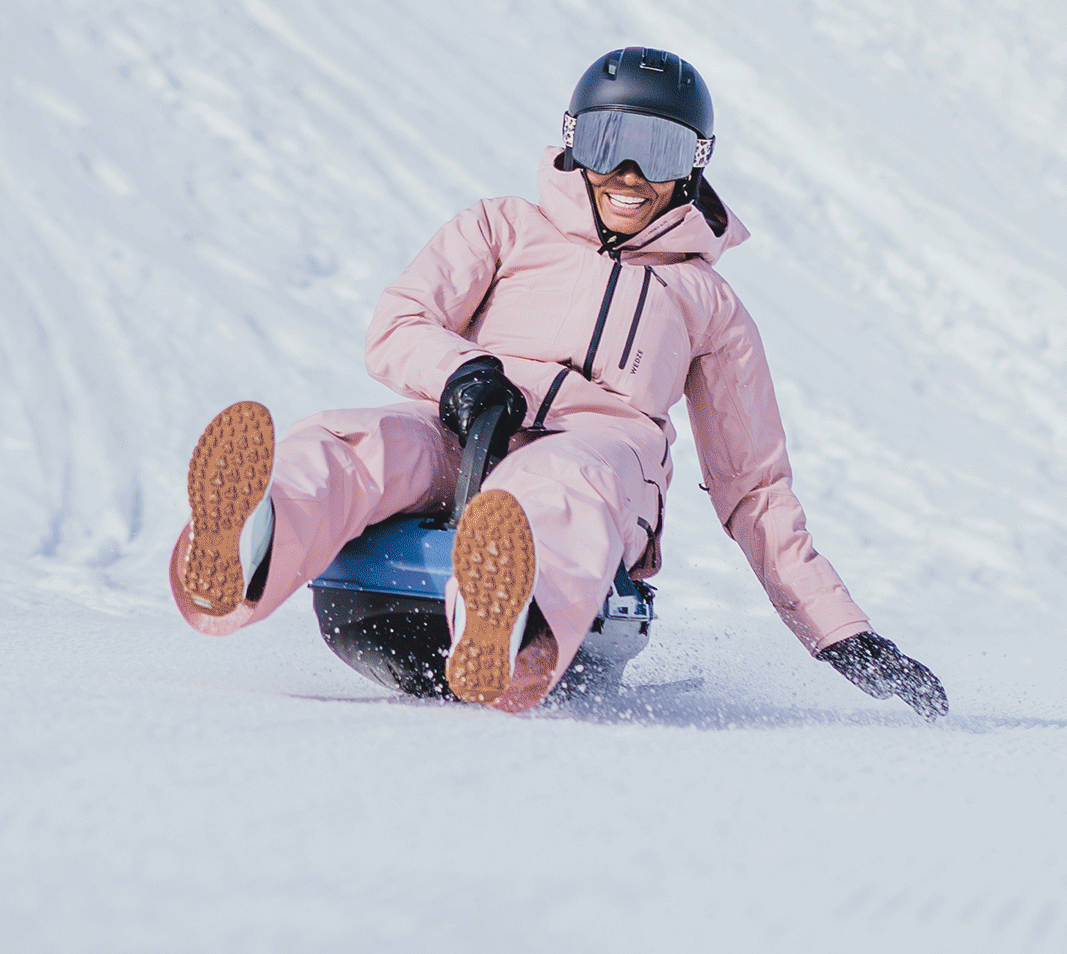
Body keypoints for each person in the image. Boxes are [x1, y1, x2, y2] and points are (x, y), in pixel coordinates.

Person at [171, 47, 947, 720]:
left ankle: (506, 616)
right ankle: (250, 541)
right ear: (575, 143)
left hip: (600, 461)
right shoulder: (503, 227)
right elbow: (400, 324)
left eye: (663, 151)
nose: (633, 174)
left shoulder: (710, 306)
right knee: (363, 440)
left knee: (561, 480)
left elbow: (754, 488)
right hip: (465, 427)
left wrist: (840, 631)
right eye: (613, 141)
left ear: (697, 166)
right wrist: (462, 376)